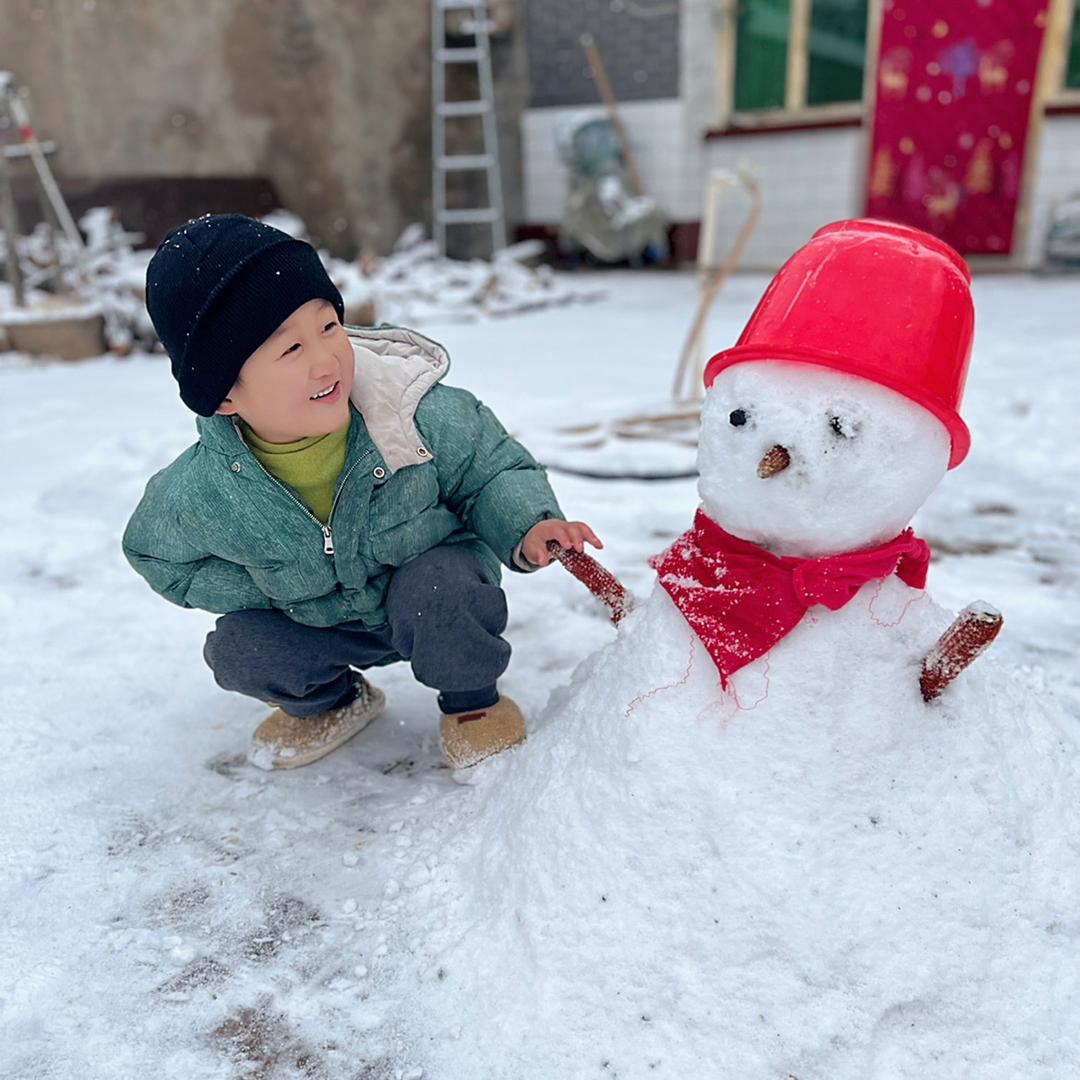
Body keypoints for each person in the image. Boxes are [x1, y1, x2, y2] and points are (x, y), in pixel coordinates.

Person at [123, 214, 601, 771]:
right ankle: (333, 703)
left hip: (423, 596)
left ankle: (472, 702)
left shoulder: (412, 416)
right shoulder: (204, 491)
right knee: (239, 649)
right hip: (319, 623)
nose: (326, 359)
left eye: (329, 328)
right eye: (290, 349)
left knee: (444, 588)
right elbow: (154, 553)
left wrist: (530, 525)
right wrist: (269, 591)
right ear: (225, 394)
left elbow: (490, 470)